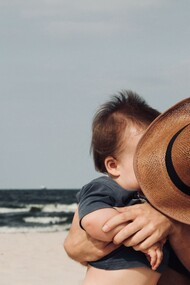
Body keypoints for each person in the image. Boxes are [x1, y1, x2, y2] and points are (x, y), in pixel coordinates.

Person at [64, 93, 190, 284]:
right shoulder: (105, 188)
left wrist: (169, 226)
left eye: (157, 156)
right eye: (145, 159)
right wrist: (145, 241)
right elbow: (93, 223)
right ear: (113, 165)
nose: (155, 165)